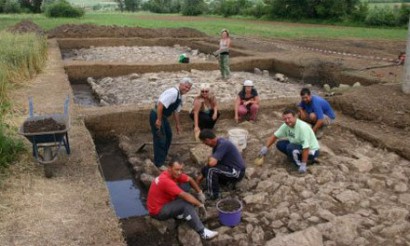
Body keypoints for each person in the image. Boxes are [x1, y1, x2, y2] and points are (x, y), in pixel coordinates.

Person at [147, 158, 218, 240]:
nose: (179, 172)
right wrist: (200, 204)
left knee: (185, 184)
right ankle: (202, 232)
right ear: (169, 168)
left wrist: (200, 192)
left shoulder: (171, 174)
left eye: (181, 170)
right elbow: (185, 195)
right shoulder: (165, 181)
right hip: (157, 211)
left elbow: (190, 179)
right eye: (177, 169)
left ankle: (179, 213)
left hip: (164, 202)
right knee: (185, 204)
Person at [259, 109, 320, 174]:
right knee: (280, 144)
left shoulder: (302, 128)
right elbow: (275, 136)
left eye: (289, 118)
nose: (287, 121)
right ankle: (296, 157)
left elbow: (306, 147)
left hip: (311, 151)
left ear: (295, 117)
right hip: (298, 146)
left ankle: (299, 165)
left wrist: (303, 164)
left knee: (290, 147)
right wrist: (266, 147)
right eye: (285, 119)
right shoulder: (286, 125)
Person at [149, 78, 192, 167]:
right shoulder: (173, 93)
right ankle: (159, 163)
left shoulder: (179, 96)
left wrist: (177, 125)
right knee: (160, 138)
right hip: (157, 115)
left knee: (168, 136)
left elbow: (176, 111)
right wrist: (159, 120)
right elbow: (160, 105)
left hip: (163, 117)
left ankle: (163, 156)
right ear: (180, 84)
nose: (186, 89)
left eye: (189, 88)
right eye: (185, 86)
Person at [197, 129, 246, 200]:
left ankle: (212, 195)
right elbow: (211, 164)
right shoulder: (217, 145)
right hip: (228, 167)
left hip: (237, 171)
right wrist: (200, 178)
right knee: (207, 168)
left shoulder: (223, 144)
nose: (205, 145)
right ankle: (221, 184)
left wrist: (209, 158)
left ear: (208, 140)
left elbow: (211, 163)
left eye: (205, 142)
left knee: (211, 170)